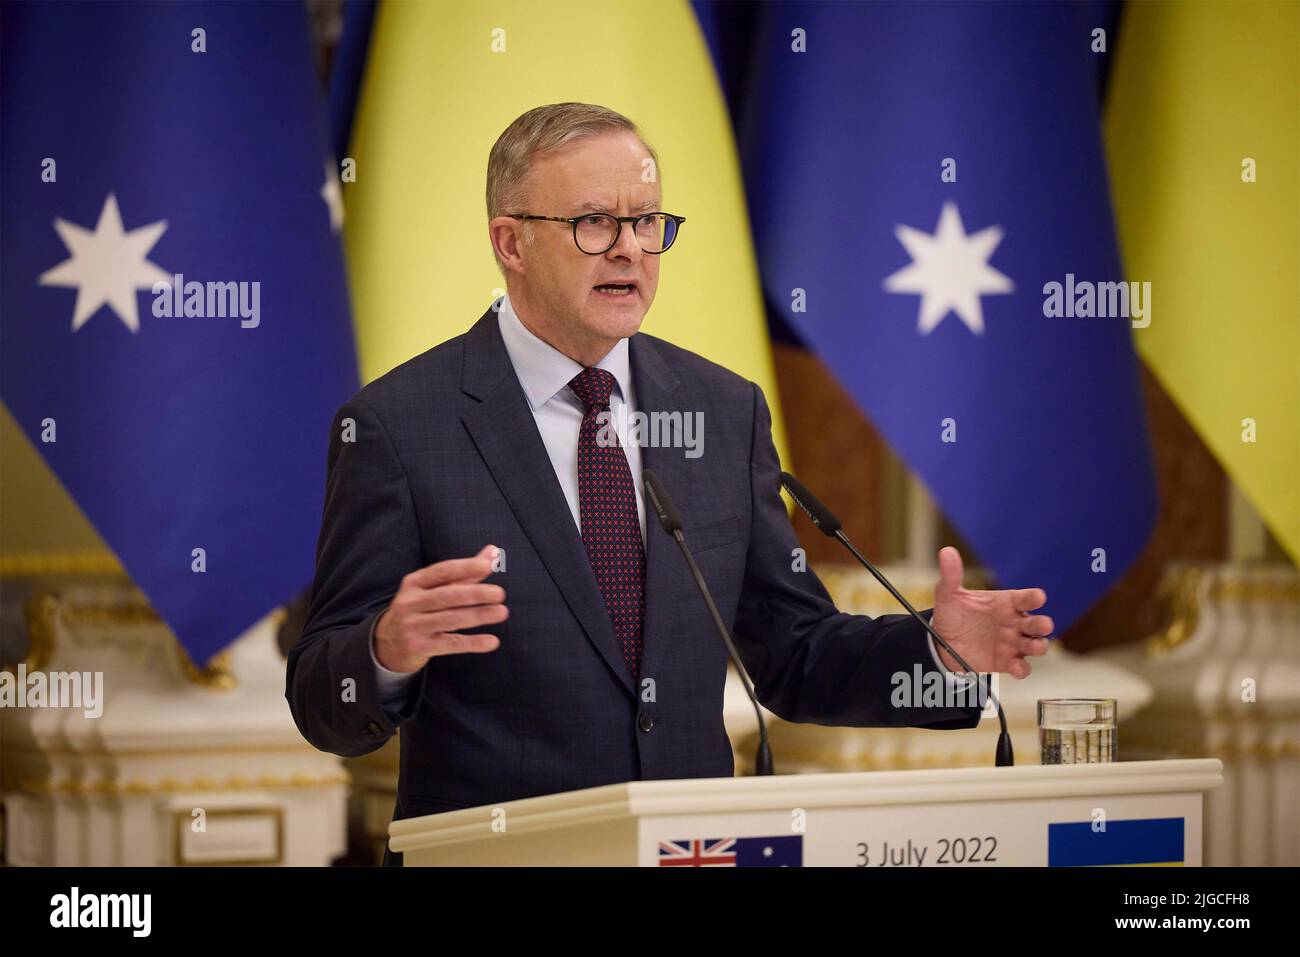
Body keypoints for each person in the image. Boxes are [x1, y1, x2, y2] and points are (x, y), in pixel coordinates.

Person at [285, 102, 1053, 866]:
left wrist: (938, 654)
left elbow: (792, 653)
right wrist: (385, 648)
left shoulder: (721, 411)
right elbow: (323, 702)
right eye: (594, 223)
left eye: (647, 222)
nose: (629, 250)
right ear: (509, 241)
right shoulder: (400, 425)